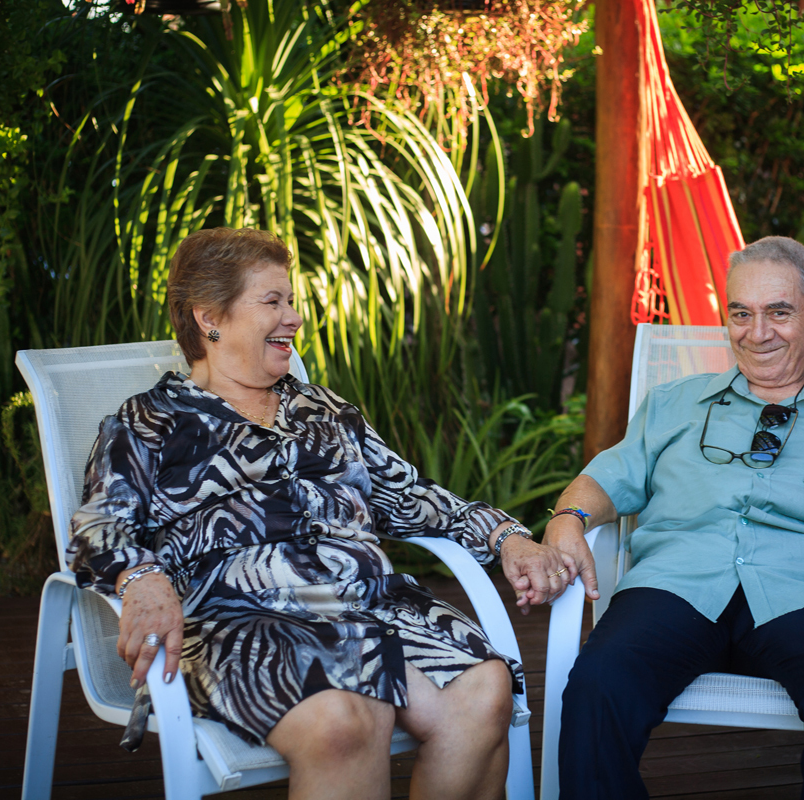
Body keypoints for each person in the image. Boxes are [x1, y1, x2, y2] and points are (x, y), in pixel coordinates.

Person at [68, 227, 575, 800]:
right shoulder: (150, 421)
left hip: (372, 607)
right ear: (209, 316)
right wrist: (142, 577)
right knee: (346, 721)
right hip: (245, 621)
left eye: (291, 299)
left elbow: (410, 496)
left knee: (486, 689)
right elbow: (98, 523)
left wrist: (509, 536)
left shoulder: (326, 410)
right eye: (272, 301)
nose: (294, 317)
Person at [543, 236, 804, 800]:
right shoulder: (675, 403)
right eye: (742, 313)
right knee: (596, 685)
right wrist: (567, 518)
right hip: (676, 589)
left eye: (779, 312)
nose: (757, 333)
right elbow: (605, 479)